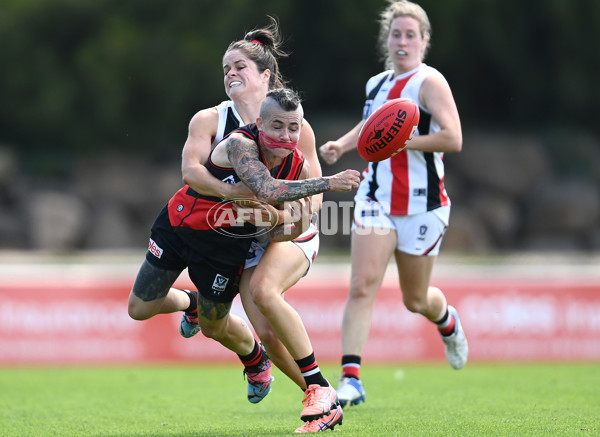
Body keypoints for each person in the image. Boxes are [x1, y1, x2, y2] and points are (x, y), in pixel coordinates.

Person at [128, 88, 356, 433]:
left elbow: (286, 229)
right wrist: (328, 183)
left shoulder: (297, 164)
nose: (286, 136)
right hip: (180, 225)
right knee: (139, 308)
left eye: (293, 128)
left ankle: (300, 382)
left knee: (217, 324)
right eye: (276, 126)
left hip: (224, 249)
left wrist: (280, 221)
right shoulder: (239, 143)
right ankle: (191, 301)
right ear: (259, 123)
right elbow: (265, 189)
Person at [319, 0, 468, 408]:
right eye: (395, 34)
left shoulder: (430, 83)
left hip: (422, 205)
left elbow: (453, 138)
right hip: (375, 198)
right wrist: (343, 144)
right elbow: (372, 126)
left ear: (423, 41)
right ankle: (351, 379)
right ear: (387, 39)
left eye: (410, 35)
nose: (402, 42)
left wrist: (408, 142)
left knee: (415, 299)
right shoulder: (376, 84)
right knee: (362, 284)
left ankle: (447, 321)